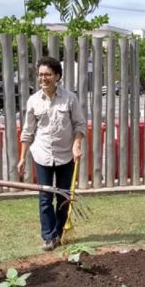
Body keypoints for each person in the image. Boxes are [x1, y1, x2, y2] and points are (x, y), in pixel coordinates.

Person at [18, 56, 85, 251]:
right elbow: (27, 131)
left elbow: (79, 124)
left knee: (63, 197)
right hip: (42, 155)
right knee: (45, 197)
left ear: (57, 76)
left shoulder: (70, 98)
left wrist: (77, 144)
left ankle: (59, 232)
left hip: (66, 155)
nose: (43, 78)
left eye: (47, 74)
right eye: (40, 75)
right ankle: (48, 237)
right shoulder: (33, 101)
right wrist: (22, 157)